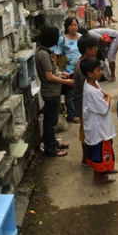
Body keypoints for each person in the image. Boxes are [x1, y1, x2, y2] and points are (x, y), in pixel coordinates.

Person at [35, 25, 74, 157]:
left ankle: (53, 143)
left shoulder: (45, 51)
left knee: (51, 121)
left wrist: (61, 75)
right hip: (50, 92)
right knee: (49, 122)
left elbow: (52, 73)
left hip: (52, 91)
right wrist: (65, 81)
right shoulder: (43, 54)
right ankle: (51, 149)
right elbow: (49, 76)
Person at [81, 57, 117, 184]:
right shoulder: (91, 91)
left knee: (103, 150)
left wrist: (106, 96)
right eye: (98, 70)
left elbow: (103, 93)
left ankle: (105, 169)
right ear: (90, 74)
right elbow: (104, 108)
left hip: (99, 125)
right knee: (101, 152)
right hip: (99, 129)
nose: (101, 71)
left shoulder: (92, 83)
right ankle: (98, 176)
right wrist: (109, 98)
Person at [72, 35, 100, 167]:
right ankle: (86, 159)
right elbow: (87, 89)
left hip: (84, 103)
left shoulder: (84, 63)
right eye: (95, 48)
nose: (97, 50)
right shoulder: (83, 68)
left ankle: (87, 158)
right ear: (88, 50)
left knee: (86, 130)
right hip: (84, 104)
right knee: (86, 131)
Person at [53, 17, 82, 123]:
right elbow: (55, 54)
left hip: (81, 69)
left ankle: (80, 112)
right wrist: (56, 69)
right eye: (71, 25)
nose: (74, 27)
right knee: (70, 94)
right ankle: (72, 115)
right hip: (69, 70)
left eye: (75, 25)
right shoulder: (63, 39)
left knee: (80, 92)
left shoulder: (81, 37)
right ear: (67, 27)